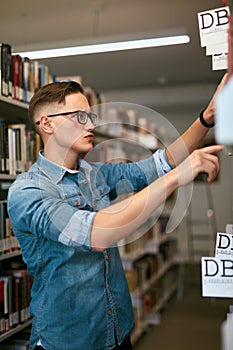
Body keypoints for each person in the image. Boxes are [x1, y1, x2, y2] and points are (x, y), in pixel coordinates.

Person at [7, 75, 226, 350]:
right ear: (47, 124)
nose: (90, 124)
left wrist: (207, 117)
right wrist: (175, 179)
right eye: (78, 116)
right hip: (69, 341)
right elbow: (96, 233)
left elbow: (162, 163)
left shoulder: (96, 176)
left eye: (90, 116)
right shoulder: (28, 192)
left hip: (117, 331)